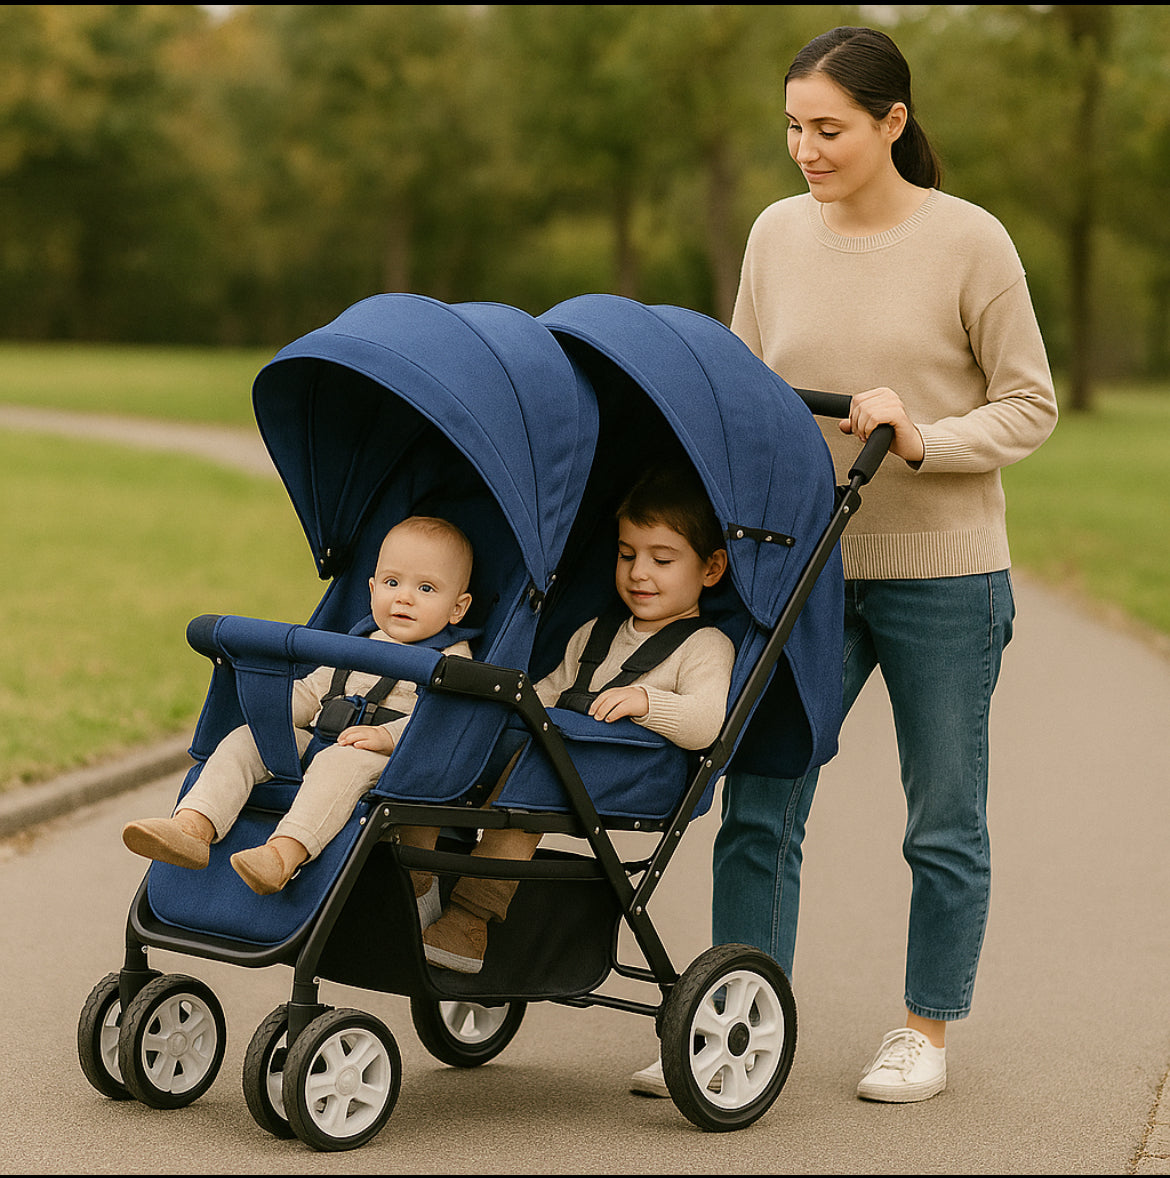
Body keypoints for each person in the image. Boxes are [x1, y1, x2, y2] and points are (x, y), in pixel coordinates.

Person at [630, 25, 1058, 1103]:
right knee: (761, 799)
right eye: (792, 128)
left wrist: (922, 432)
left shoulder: (972, 242)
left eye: (828, 128)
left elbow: (1029, 404)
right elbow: (739, 392)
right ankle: (737, 1017)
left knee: (943, 813)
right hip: (802, 568)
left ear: (892, 124)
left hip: (944, 572)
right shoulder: (776, 234)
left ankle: (925, 1026)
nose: (806, 149)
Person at [413, 458, 736, 974]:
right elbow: (549, 693)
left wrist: (647, 702)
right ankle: (419, 876)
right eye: (628, 554)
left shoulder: (705, 646)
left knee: (542, 764)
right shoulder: (594, 632)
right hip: (561, 748)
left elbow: (706, 721)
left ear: (711, 569)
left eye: (663, 559)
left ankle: (471, 914)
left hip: (628, 771)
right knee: (451, 736)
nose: (639, 573)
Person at [122, 515, 474, 898]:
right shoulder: (356, 643)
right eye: (392, 583)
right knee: (246, 740)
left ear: (457, 608)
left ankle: (282, 855)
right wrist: (270, 709)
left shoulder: (452, 660)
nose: (404, 597)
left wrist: (386, 737)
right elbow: (311, 693)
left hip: (386, 761)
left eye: (425, 588)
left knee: (337, 763)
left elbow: (445, 722)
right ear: (372, 589)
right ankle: (192, 827)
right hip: (319, 739)